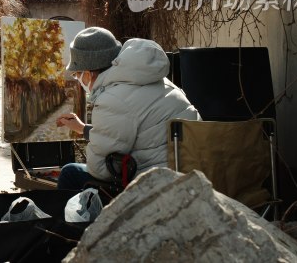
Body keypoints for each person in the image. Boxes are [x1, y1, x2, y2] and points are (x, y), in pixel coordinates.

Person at [55, 26, 200, 191]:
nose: (77, 80)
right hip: (188, 175)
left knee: (69, 173)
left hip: (154, 185)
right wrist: (84, 129)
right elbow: (136, 129)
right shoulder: (155, 79)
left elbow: (100, 170)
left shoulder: (112, 98)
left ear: (89, 73)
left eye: (76, 74)